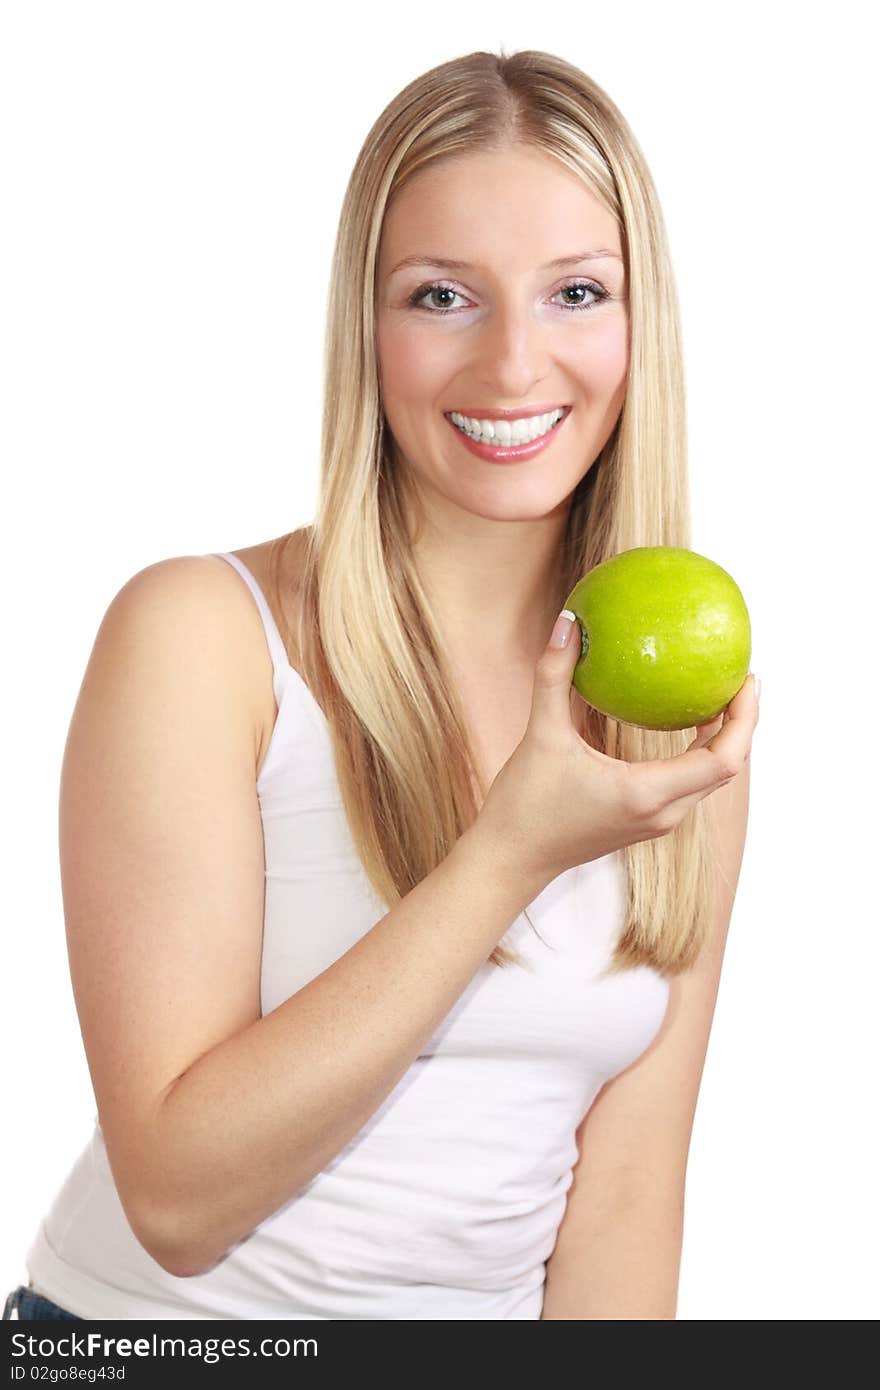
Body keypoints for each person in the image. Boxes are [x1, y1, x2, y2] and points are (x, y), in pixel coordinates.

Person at [5, 47, 758, 1323]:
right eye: (442, 297)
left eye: (576, 290)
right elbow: (178, 1203)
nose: (515, 366)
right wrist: (506, 855)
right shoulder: (201, 637)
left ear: (643, 326)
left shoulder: (671, 718)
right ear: (367, 324)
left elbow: (627, 1197)